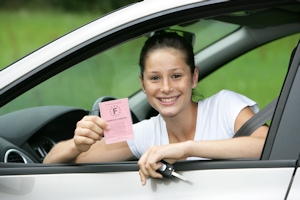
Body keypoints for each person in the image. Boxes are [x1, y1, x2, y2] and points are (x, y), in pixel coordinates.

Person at [43, 32, 268, 186]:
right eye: (155, 78)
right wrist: (76, 144)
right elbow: (50, 164)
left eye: (176, 76)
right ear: (142, 84)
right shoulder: (145, 133)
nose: (166, 88)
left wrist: (185, 149)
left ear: (194, 77)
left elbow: (269, 145)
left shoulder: (224, 106)